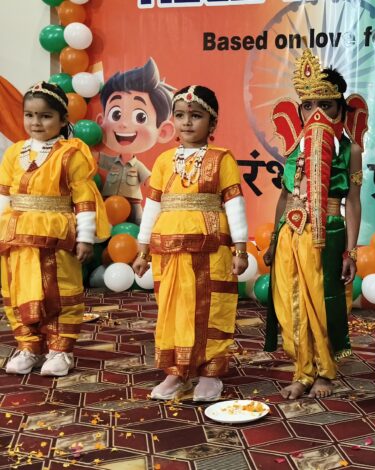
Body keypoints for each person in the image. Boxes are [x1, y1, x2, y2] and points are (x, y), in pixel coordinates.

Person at [262, 49, 368, 399]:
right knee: (290, 305)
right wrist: (274, 239)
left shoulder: (350, 151)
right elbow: (283, 196)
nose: (317, 114)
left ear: (342, 109)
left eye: (327, 105)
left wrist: (351, 251)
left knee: (323, 304)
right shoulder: (293, 149)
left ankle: (325, 372)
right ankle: (302, 370)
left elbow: (353, 201)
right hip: (290, 234)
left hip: (329, 233)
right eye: (308, 106)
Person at [132, 85, 249, 402]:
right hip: (168, 250)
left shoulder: (222, 159)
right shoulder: (163, 160)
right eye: (180, 115)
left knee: (211, 308)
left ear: (212, 123)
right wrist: (142, 250)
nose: (186, 122)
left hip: (211, 250)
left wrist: (240, 248)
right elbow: (152, 206)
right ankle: (176, 371)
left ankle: (210, 373)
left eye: (195, 116)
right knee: (173, 309)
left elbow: (235, 205)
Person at [0, 81, 109, 376]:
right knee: (19, 289)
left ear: (62, 120)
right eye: (30, 115)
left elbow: (84, 199)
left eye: (45, 116)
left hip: (56, 236)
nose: (36, 122)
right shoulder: (14, 153)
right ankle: (29, 347)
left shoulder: (71, 154)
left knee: (58, 291)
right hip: (16, 235)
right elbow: (4, 196)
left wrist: (85, 238)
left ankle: (60, 351)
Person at [96, 58, 175, 224]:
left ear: (163, 131)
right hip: (108, 202)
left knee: (139, 223)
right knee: (104, 227)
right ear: (100, 123)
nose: (124, 124)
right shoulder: (110, 162)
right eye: (116, 114)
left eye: (140, 117)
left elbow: (151, 181)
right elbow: (94, 158)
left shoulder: (138, 166)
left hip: (133, 203)